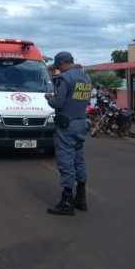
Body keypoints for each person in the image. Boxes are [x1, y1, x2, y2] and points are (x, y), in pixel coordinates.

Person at [45, 52, 92, 216]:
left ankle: (66, 202)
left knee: (66, 160)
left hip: (67, 124)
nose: (59, 70)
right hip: (81, 122)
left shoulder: (65, 79)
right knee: (79, 159)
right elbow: (86, 100)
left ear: (62, 64)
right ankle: (81, 199)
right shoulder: (86, 78)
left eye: (59, 67)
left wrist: (49, 98)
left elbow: (58, 102)